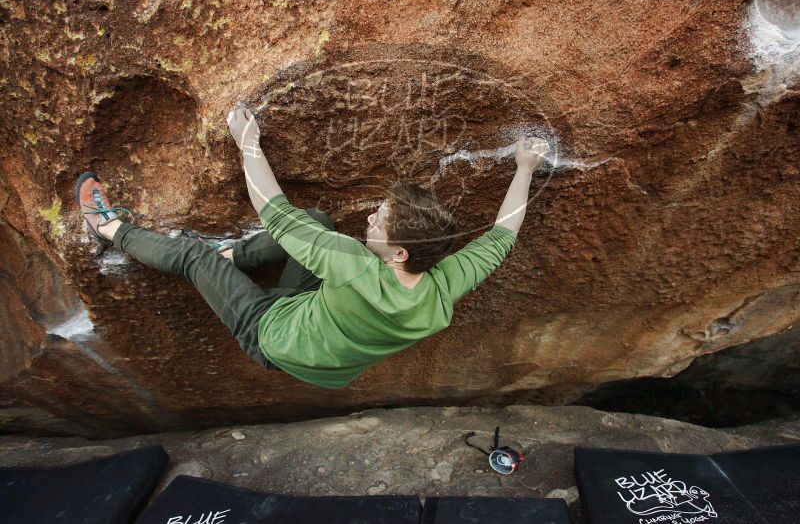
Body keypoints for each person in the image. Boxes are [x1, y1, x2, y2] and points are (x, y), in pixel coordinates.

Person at [76, 104, 549, 389]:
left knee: (193, 256)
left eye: (380, 221)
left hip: (272, 337)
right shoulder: (443, 288)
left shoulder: (351, 264)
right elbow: (501, 236)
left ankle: (108, 228)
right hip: (320, 343)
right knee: (317, 222)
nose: (369, 217)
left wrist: (248, 141)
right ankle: (232, 257)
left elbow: (274, 211)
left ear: (399, 253)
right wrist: (524, 168)